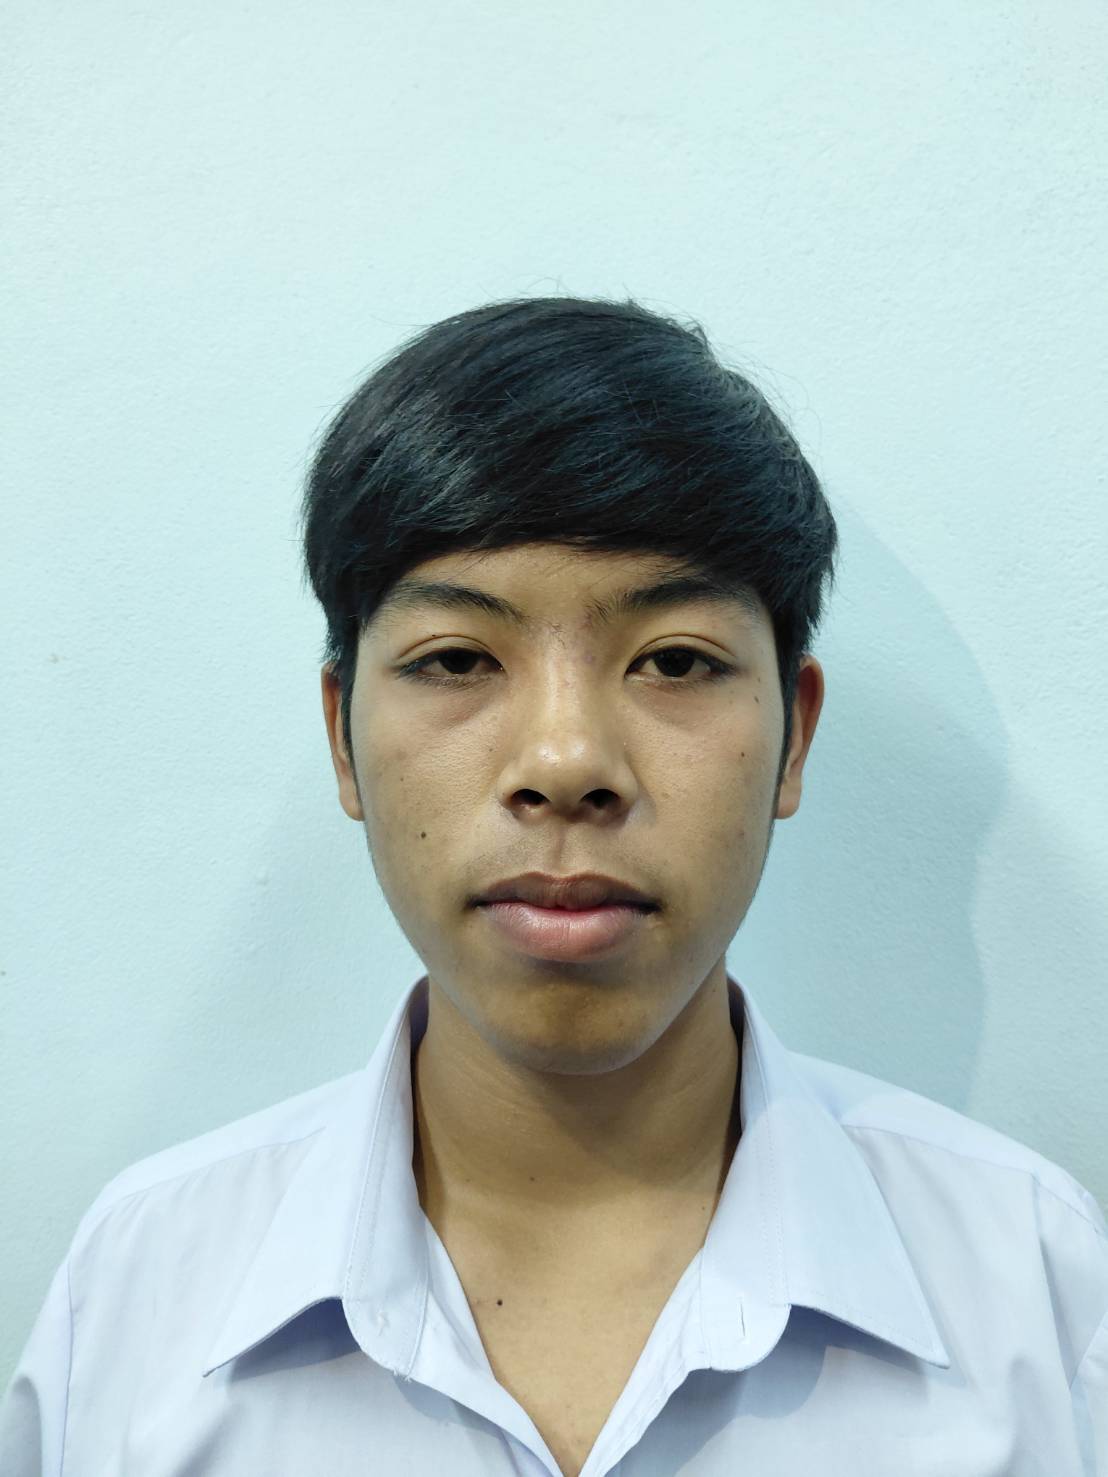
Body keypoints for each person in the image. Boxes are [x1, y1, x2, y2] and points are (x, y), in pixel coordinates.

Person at [2, 296, 1104, 1476]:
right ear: (342, 738)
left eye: (673, 659)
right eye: (457, 658)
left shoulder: (1031, 1289)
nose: (568, 761)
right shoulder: (141, 1294)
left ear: (793, 737)